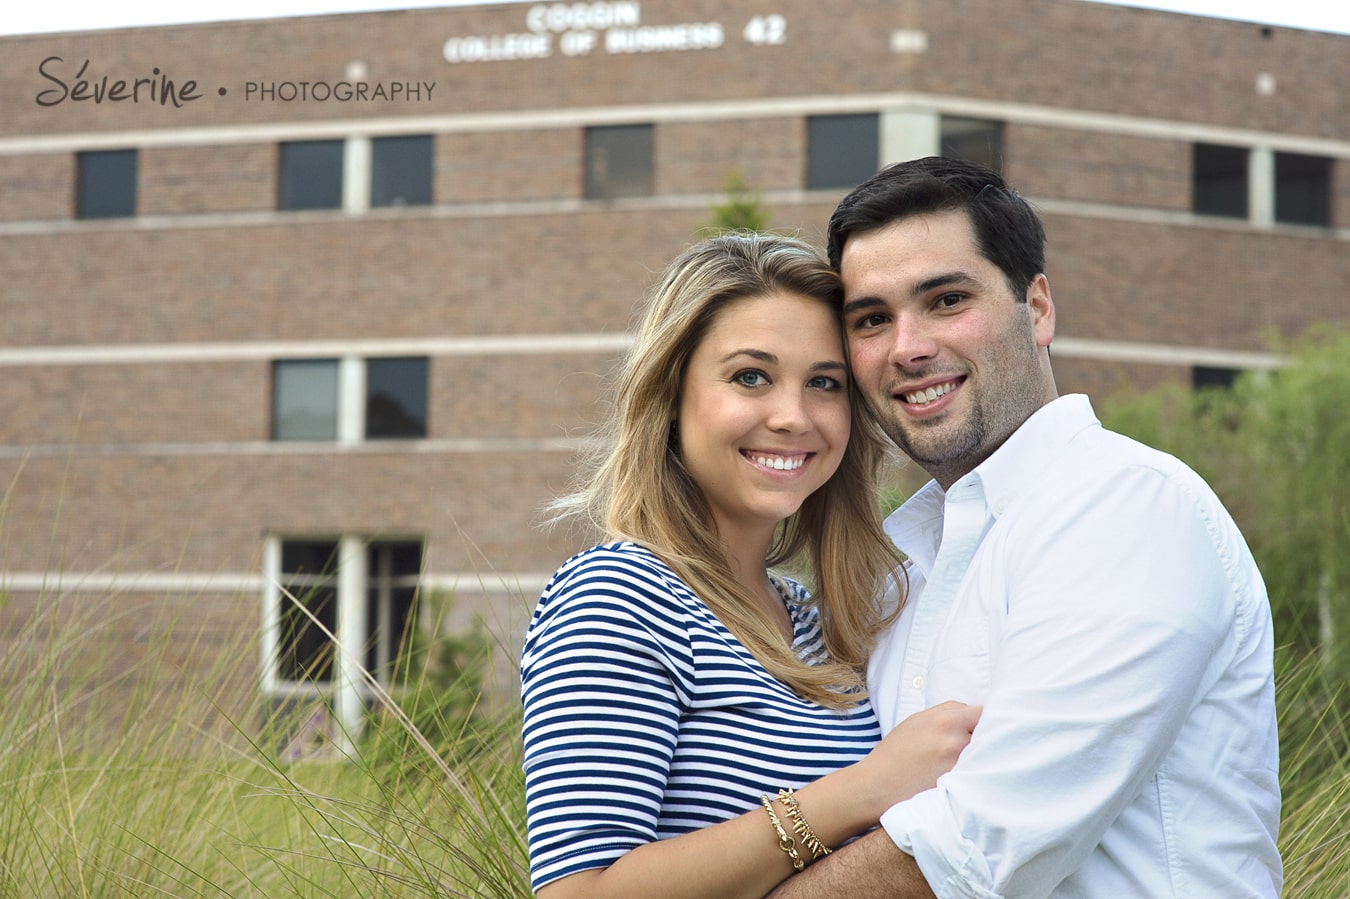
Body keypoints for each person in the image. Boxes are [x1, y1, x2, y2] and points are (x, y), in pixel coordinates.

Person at [768, 156, 1282, 898]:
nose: (908, 347)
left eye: (946, 299)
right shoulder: (896, 559)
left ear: (1037, 307)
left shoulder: (1128, 507)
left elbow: (973, 852)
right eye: (872, 318)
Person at [520, 233, 981, 899]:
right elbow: (578, 892)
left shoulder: (822, 624)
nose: (793, 417)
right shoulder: (618, 594)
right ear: (672, 396)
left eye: (824, 383)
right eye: (750, 377)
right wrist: (860, 789)